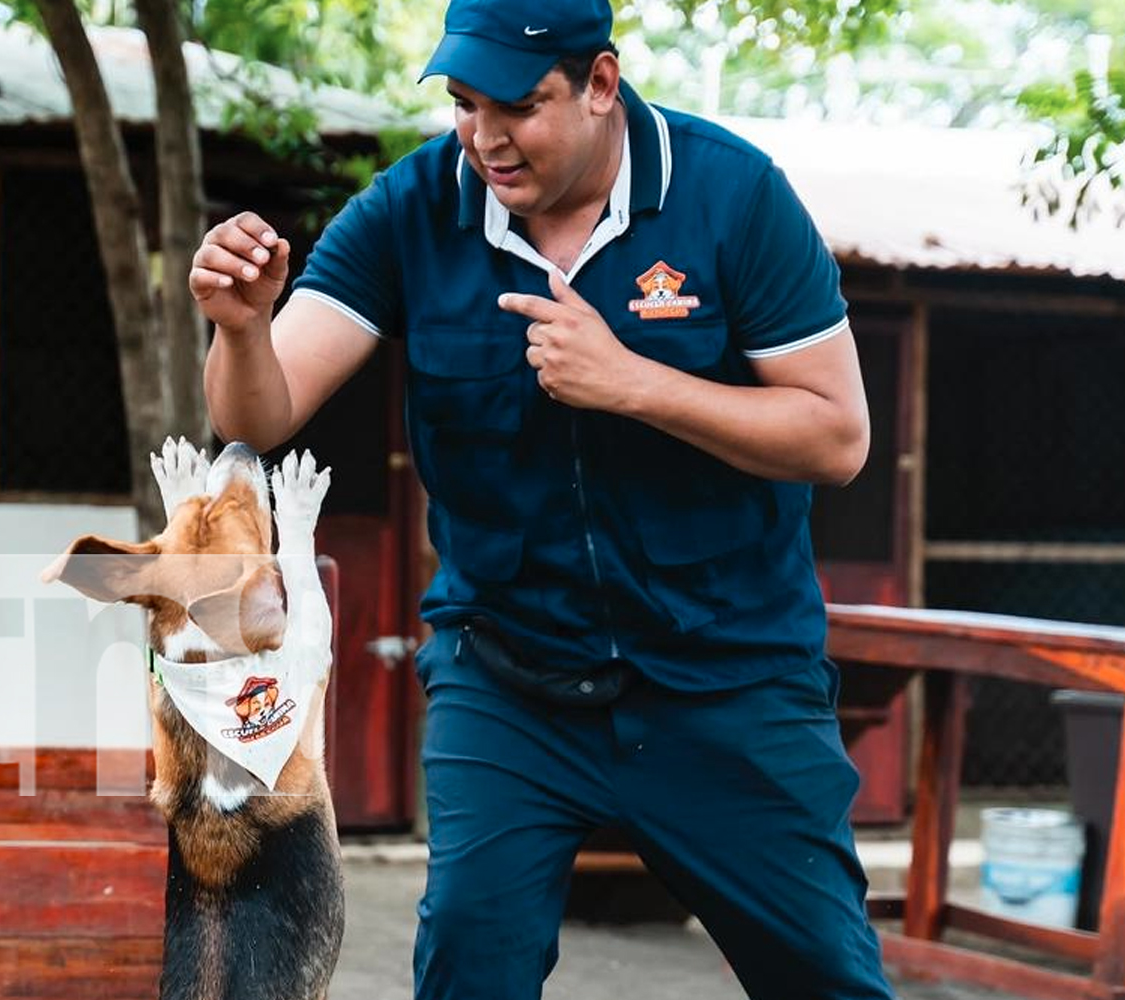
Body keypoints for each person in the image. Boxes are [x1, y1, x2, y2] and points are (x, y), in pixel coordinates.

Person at [190, 0, 894, 997]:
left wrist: (633, 382)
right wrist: (242, 329)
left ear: (599, 83)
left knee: (827, 977)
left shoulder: (732, 197)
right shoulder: (411, 211)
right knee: (470, 965)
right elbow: (260, 417)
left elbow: (838, 436)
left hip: (729, 678)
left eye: (516, 107)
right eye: (465, 105)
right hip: (512, 678)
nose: (484, 139)